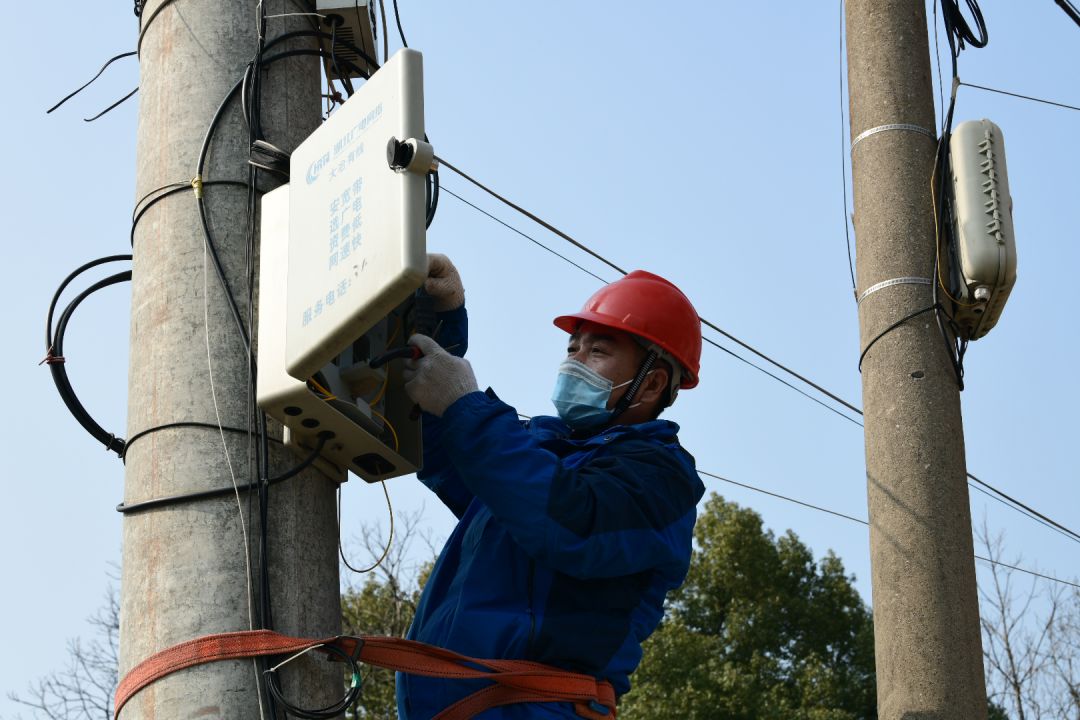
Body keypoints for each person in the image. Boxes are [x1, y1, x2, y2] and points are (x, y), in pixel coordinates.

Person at [398, 254, 704, 719]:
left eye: (597, 351)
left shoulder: (661, 478)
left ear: (650, 385)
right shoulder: (538, 452)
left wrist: (465, 407)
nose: (575, 362)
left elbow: (571, 523)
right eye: (572, 348)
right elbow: (442, 447)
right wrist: (443, 325)